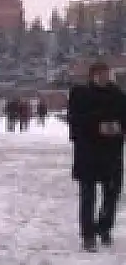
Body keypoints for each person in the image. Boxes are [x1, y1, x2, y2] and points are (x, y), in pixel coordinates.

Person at [68, 61, 126, 252]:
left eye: (106, 73)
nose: (104, 77)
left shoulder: (118, 95)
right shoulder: (80, 94)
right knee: (88, 196)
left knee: (112, 194)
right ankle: (88, 235)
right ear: (92, 75)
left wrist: (118, 127)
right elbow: (74, 121)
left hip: (112, 153)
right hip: (88, 153)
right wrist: (97, 126)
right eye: (100, 74)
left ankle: (104, 227)